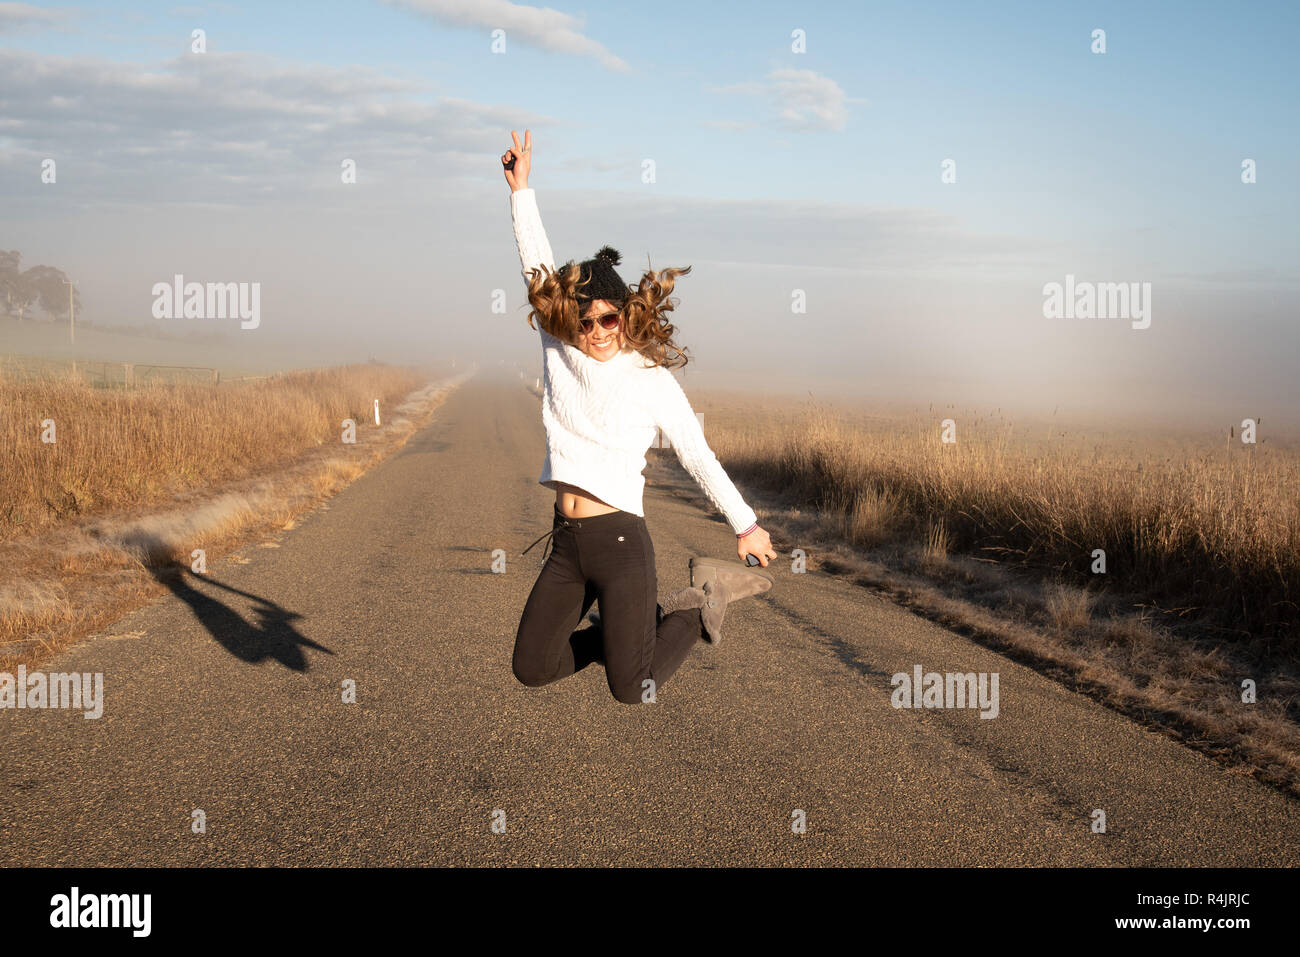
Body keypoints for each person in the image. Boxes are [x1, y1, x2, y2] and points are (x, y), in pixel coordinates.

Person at [502, 128, 777, 705]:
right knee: (532, 666)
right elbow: (537, 270)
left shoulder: (650, 380)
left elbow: (696, 455)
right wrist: (521, 190)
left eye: (609, 319)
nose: (597, 331)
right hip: (567, 543)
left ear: (626, 315)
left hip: (623, 542)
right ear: (570, 320)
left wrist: (744, 523)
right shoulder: (561, 348)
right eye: (586, 320)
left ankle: (703, 602)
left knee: (635, 687)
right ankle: (624, 632)